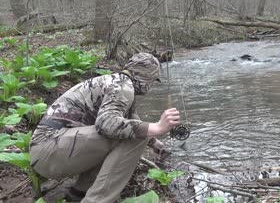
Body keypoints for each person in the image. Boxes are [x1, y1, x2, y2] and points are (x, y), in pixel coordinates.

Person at [29, 52, 180, 203]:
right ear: (144, 77)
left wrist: (155, 144)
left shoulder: (116, 82)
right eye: (152, 81)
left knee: (132, 132)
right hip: (49, 151)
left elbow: (130, 120)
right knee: (135, 136)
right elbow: (106, 124)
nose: (150, 86)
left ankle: (77, 194)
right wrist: (158, 127)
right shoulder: (123, 87)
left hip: (47, 150)